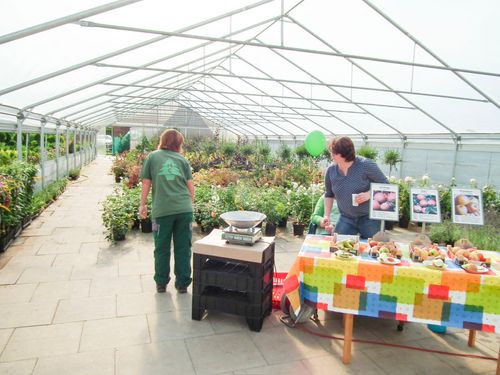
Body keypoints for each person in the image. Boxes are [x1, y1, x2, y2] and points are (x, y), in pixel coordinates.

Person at [139, 129, 195, 294]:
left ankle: (161, 283)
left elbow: (146, 183)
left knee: (162, 247)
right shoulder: (183, 160)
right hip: (184, 211)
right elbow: (191, 188)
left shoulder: (153, 157)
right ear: (179, 144)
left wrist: (142, 205)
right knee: (183, 247)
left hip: (162, 212)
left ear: (163, 141)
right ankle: (183, 283)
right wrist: (189, 206)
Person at [323, 136, 388, 239]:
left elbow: (386, 185)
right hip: (346, 218)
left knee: (373, 248)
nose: (331, 155)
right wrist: (326, 215)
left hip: (369, 218)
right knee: (337, 247)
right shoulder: (331, 171)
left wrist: (369, 194)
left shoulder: (365, 165)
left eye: (334, 153)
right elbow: (329, 194)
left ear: (344, 154)